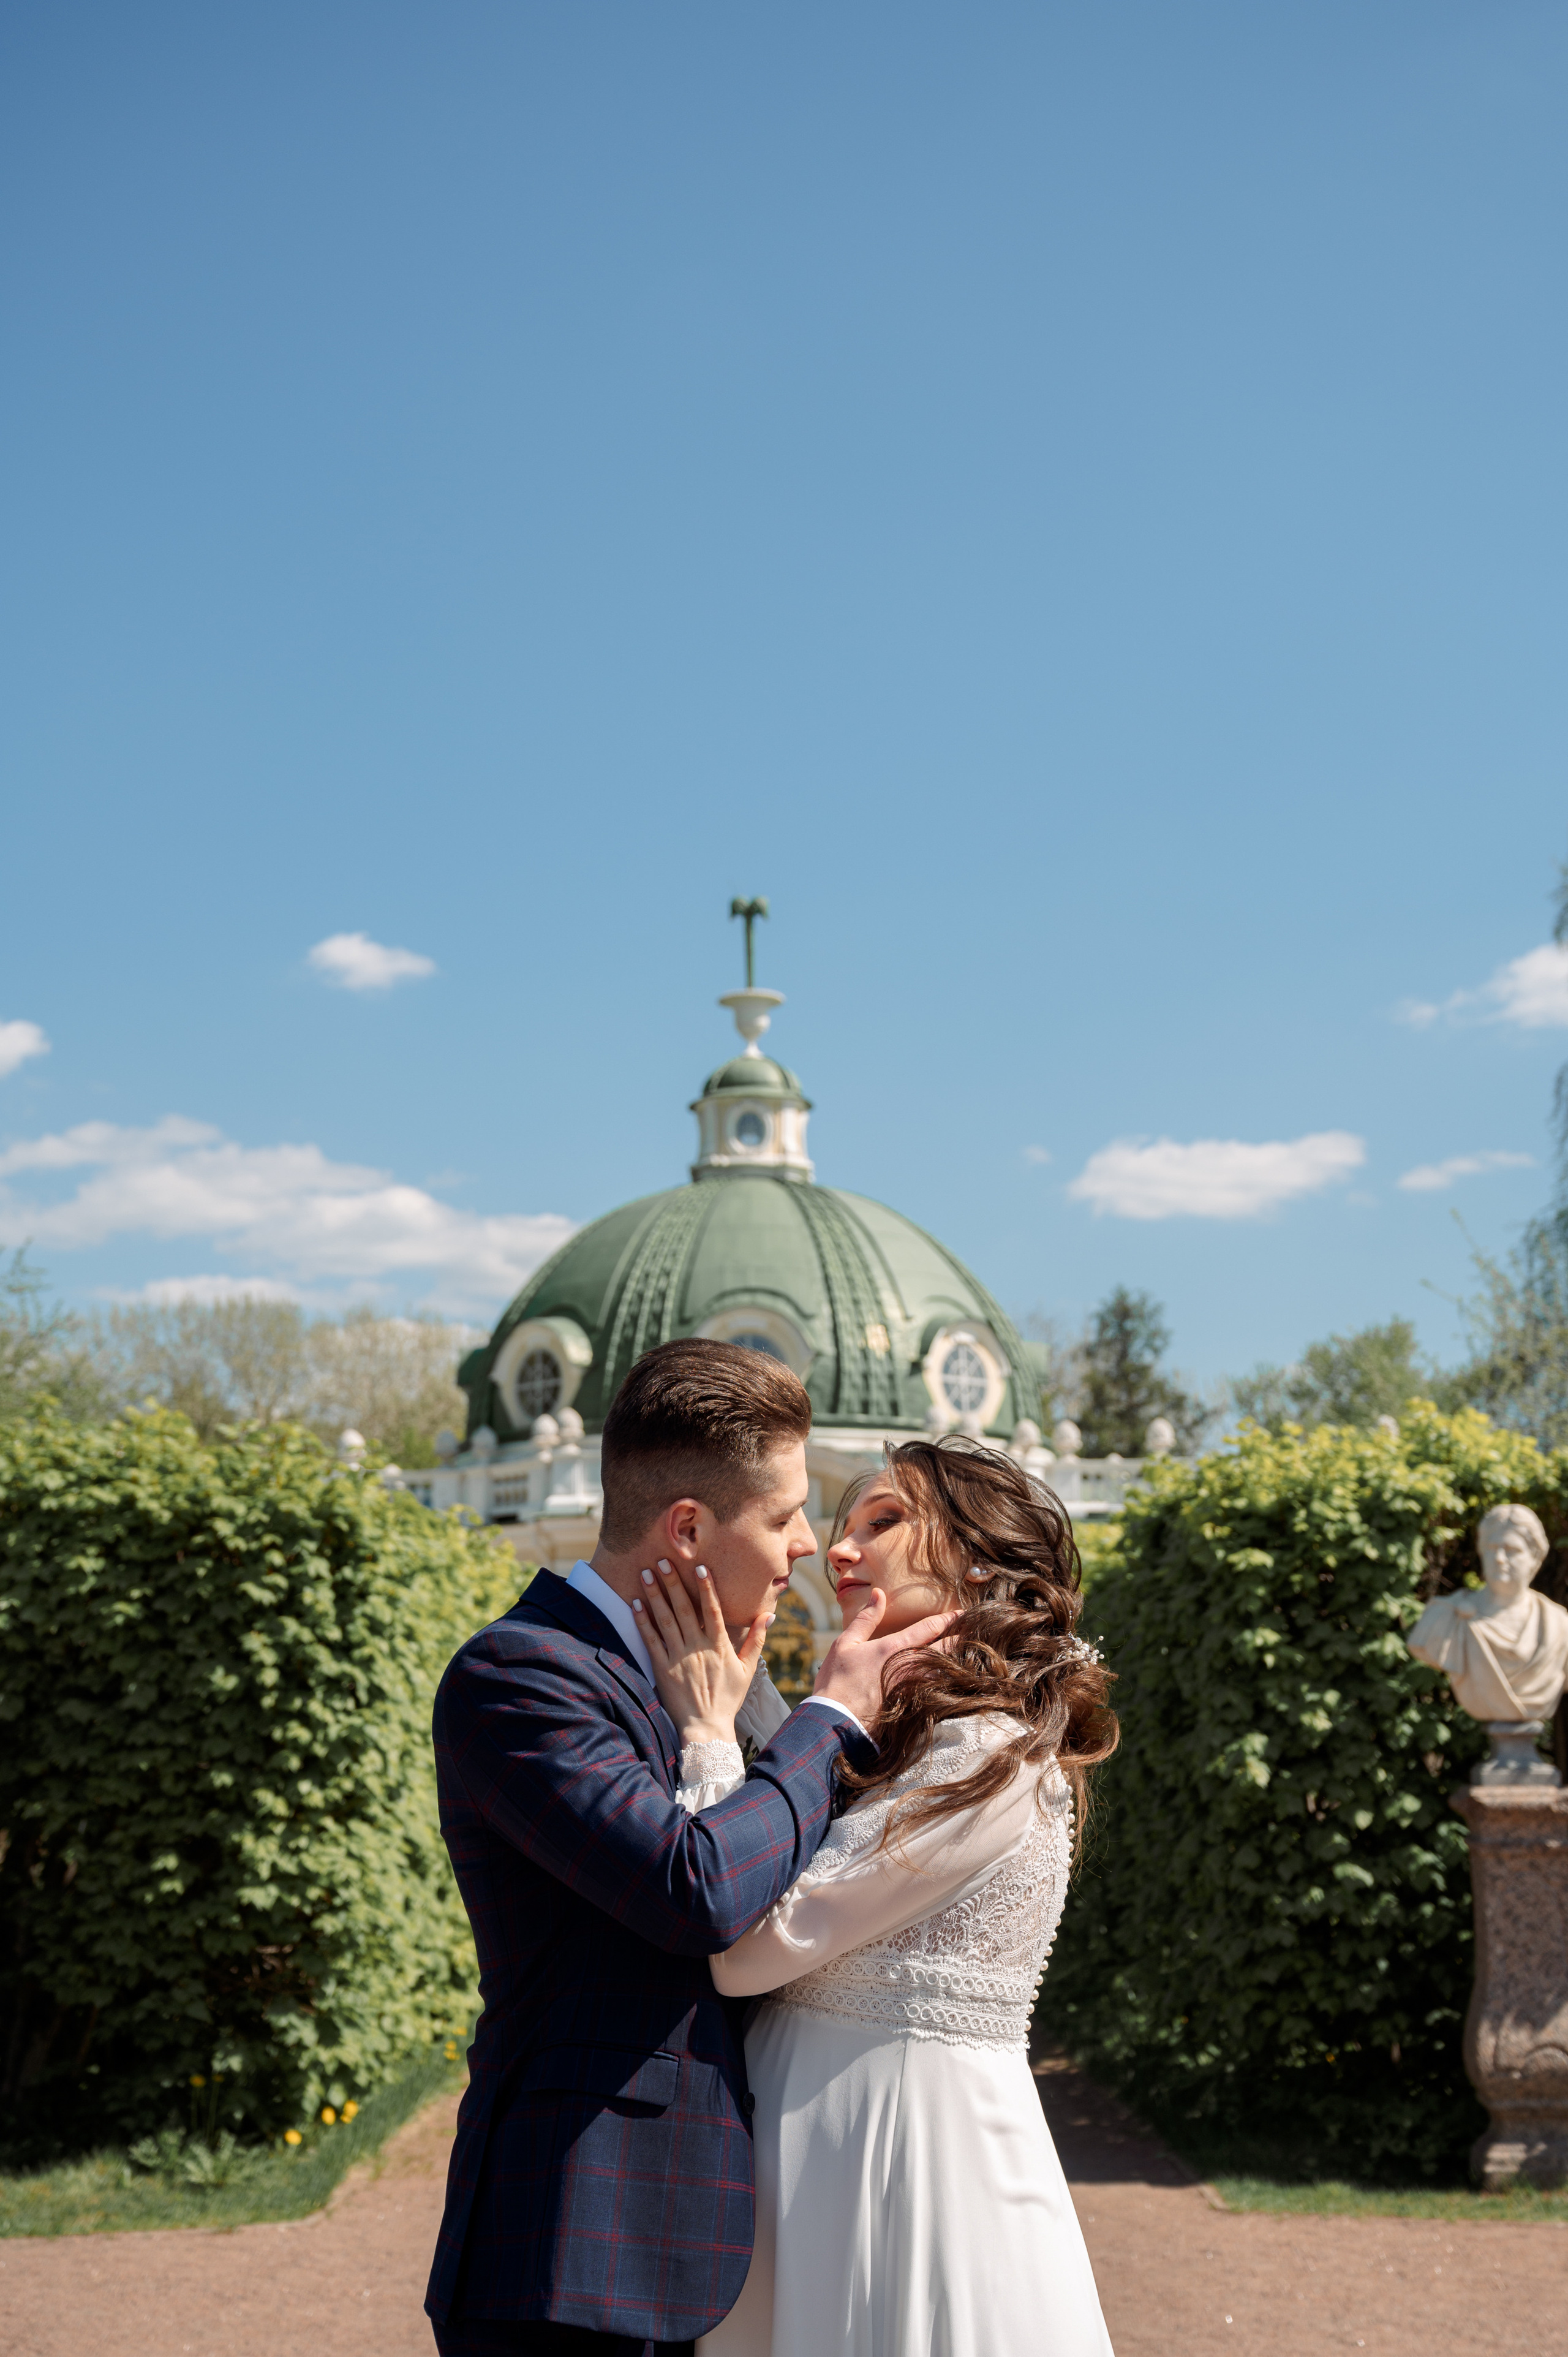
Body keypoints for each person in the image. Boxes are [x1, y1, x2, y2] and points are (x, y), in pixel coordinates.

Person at [424, 1338, 956, 2357]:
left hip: (729, 2239)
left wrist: (743, 1723)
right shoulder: (521, 1677)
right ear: (686, 1527)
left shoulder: (726, 1681)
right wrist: (831, 1712)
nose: (807, 1543)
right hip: (579, 2249)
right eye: (784, 1513)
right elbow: (699, 1889)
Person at [638, 1435, 1118, 2357]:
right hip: (816, 2148)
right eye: (842, 1525)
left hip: (903, 2159)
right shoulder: (907, 1738)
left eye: (885, 1521)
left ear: (980, 1558)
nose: (841, 1551)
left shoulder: (988, 1755)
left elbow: (743, 1947)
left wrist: (707, 1738)